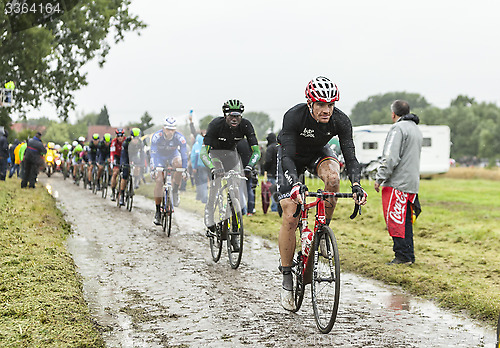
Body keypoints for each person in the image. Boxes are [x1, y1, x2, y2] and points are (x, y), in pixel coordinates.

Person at [276, 76, 367, 310]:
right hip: (292, 158)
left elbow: (351, 157)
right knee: (290, 214)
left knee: (334, 178)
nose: (326, 110)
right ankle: (287, 276)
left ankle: (321, 231)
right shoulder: (294, 116)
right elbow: (286, 156)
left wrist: (356, 185)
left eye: (331, 105)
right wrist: (295, 184)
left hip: (318, 154)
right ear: (310, 103)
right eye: (321, 105)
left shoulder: (340, 121)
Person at [200, 99, 261, 238]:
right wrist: (212, 167)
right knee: (216, 185)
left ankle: (234, 226)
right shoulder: (215, 125)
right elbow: (203, 153)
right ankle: (210, 218)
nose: (234, 119)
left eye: (237, 116)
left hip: (232, 156)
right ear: (225, 115)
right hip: (215, 155)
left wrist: (250, 167)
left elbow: (256, 151)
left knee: (235, 188)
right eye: (231, 116)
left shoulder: (246, 125)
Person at [374, 100, 422, 265]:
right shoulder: (416, 129)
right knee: (406, 220)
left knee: (395, 220)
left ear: (393, 114)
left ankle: (401, 255)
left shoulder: (397, 129)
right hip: (411, 183)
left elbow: (390, 157)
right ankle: (409, 255)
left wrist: (380, 177)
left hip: (397, 183)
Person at [150, 117, 188, 225]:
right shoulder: (157, 136)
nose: (170, 132)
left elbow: (184, 155)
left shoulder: (180, 138)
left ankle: (175, 190)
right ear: (163, 128)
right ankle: (157, 212)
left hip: (173, 155)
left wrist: (184, 170)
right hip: (159, 157)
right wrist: (153, 168)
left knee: (179, 164)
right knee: (159, 180)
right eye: (168, 129)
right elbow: (152, 153)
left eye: (172, 129)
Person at [118, 128, 143, 206]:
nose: (135, 140)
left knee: (138, 166)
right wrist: (123, 163)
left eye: (137, 138)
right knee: (125, 175)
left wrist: (142, 163)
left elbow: (142, 154)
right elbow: (123, 155)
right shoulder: (126, 142)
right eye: (134, 138)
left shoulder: (140, 143)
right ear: (131, 137)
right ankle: (121, 195)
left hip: (134, 156)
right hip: (126, 155)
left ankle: (135, 181)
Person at [191, 133, 209, 203]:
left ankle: (203, 198)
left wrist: (194, 167)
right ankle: (205, 197)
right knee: (207, 182)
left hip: (200, 166)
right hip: (207, 166)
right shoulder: (205, 145)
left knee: (201, 182)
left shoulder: (196, 145)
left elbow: (195, 156)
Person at [263, 132, 278, 212]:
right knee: (279, 190)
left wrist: (265, 168)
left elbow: (268, 160)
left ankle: (274, 208)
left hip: (271, 173)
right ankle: (279, 208)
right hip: (279, 172)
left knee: (272, 191)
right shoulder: (279, 147)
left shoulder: (270, 148)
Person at [110, 128, 125, 201]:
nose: (120, 137)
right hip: (117, 157)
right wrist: (112, 161)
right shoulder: (114, 142)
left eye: (121, 135)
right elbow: (112, 152)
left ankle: (124, 191)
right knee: (115, 173)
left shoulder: (126, 141)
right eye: (118, 136)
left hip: (124, 157)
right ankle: (113, 191)